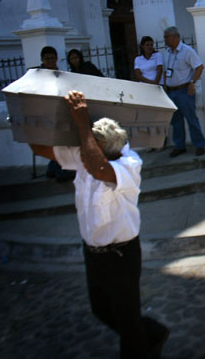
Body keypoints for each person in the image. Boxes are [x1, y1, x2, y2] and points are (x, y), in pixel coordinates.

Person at [29, 91, 169, 359]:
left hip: (121, 255)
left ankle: (141, 342)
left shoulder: (129, 162)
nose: (85, 148)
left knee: (128, 325)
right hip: (93, 253)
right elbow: (39, 148)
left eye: (90, 143)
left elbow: (98, 168)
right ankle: (151, 333)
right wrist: (38, 114)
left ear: (103, 146)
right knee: (101, 310)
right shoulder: (85, 153)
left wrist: (82, 122)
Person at [163, 26, 205, 157]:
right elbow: (166, 71)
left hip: (184, 90)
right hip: (172, 91)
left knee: (191, 118)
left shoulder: (187, 51)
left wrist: (193, 82)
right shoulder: (167, 52)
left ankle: (199, 144)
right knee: (176, 121)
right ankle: (179, 145)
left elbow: (199, 67)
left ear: (175, 37)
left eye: (167, 37)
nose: (165, 40)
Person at [36, 46, 76, 182]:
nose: (50, 61)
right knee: (56, 142)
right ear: (42, 59)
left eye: (52, 58)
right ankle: (58, 170)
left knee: (61, 141)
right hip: (46, 112)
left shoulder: (59, 73)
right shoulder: (38, 75)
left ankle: (53, 168)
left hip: (60, 111)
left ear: (56, 58)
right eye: (47, 59)